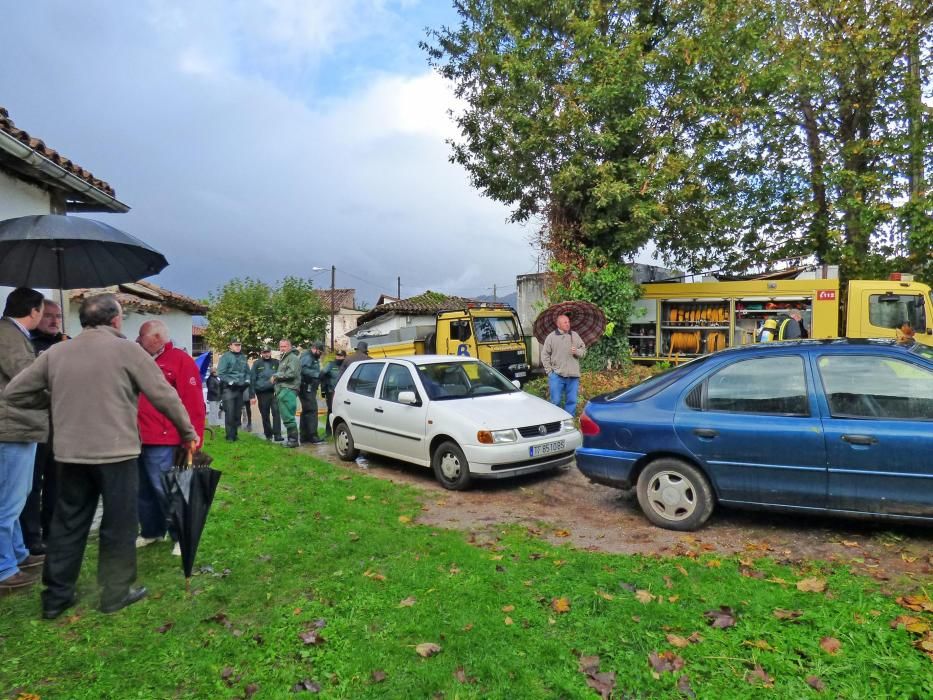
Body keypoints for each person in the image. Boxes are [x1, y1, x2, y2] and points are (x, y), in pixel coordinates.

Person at [3, 293, 198, 618]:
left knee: (67, 524)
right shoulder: (128, 351)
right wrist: (188, 433)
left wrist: (54, 400)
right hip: (116, 453)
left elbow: (14, 392)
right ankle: (115, 593)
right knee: (118, 524)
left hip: (70, 454)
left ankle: (56, 597)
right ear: (116, 320)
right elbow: (164, 395)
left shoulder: (58, 352)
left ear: (84, 321)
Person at [135, 320, 206, 555]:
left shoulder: (180, 360)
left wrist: (194, 436)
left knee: (166, 487)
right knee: (142, 489)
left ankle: (181, 533)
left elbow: (193, 401)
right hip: (136, 436)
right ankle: (151, 530)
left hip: (164, 438)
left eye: (141, 336)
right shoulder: (138, 358)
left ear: (156, 338)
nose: (138, 340)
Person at [0, 288, 47, 595]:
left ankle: (18, 553)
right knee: (9, 499)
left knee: (17, 494)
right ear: (33, 311)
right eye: (42, 310)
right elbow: (25, 379)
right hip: (12, 425)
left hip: (18, 425)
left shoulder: (12, 334)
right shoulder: (8, 335)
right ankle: (4, 568)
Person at [20, 299, 66, 557]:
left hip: (60, 424)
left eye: (57, 316)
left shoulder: (65, 343)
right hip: (34, 422)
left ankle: (53, 530)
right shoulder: (28, 344)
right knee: (31, 483)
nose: (54, 321)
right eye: (48, 316)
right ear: (36, 316)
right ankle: (31, 535)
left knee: (57, 481)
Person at [541, 314, 586, 415]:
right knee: (555, 401)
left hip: (573, 376)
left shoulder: (575, 335)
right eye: (565, 322)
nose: (568, 324)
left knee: (571, 402)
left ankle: (569, 424)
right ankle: (555, 421)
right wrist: (549, 372)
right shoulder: (551, 337)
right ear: (558, 324)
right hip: (557, 375)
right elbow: (544, 355)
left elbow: (583, 351)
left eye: (568, 322)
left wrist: (577, 351)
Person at [217, 339, 250, 441]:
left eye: (239, 345)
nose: (238, 347)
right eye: (236, 345)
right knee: (230, 413)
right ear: (230, 346)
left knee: (237, 414)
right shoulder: (225, 357)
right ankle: (229, 436)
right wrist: (230, 381)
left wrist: (248, 380)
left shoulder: (243, 357)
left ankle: (235, 434)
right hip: (229, 389)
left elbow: (247, 371)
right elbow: (221, 373)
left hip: (240, 388)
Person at [272, 338, 301, 448]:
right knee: (286, 415)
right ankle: (291, 439)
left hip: (288, 389)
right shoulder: (285, 358)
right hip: (284, 389)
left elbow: (291, 374)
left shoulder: (292, 358)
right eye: (281, 347)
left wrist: (276, 376)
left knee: (288, 416)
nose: (282, 349)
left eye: (284, 346)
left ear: (290, 346)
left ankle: (293, 440)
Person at [251, 346, 282, 441]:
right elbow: (252, 379)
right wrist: (252, 395)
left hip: (274, 392)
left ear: (270, 352)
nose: (266, 354)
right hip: (262, 393)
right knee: (265, 414)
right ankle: (268, 434)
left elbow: (281, 375)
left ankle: (277, 435)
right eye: (264, 352)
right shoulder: (257, 363)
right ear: (261, 353)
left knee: (276, 413)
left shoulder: (276, 362)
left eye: (268, 352)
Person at [299, 342, 325, 445]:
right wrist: (317, 374)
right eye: (320, 351)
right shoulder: (308, 357)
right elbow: (303, 369)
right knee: (312, 410)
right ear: (314, 349)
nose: (320, 354)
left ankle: (304, 436)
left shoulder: (312, 357)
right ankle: (313, 436)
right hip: (306, 387)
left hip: (308, 387)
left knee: (306, 411)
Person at [320, 349, 346, 437]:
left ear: (344, 357)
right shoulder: (331, 365)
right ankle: (328, 432)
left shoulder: (345, 366)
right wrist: (323, 391)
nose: (338, 357)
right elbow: (322, 375)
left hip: (343, 393)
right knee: (331, 411)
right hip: (331, 392)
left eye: (340, 356)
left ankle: (338, 431)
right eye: (337, 356)